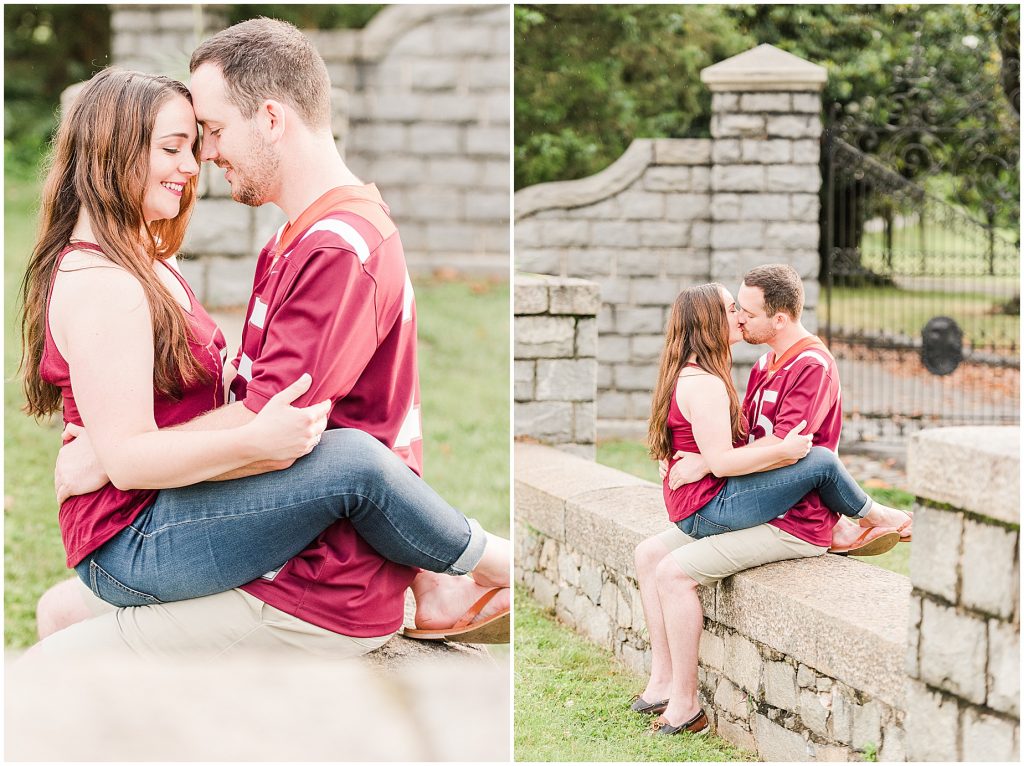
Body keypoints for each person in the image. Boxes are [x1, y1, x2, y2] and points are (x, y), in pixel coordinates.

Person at [28, 21, 509, 659]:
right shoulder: (269, 245)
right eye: (178, 145)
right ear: (118, 151)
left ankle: (484, 566)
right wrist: (124, 449)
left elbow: (266, 419)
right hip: (162, 533)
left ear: (273, 119)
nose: (201, 158)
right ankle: (467, 568)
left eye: (210, 134)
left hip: (304, 573)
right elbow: (251, 406)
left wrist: (120, 451)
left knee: (356, 463)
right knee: (57, 623)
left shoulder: (331, 246)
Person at [632, 266, 911, 736]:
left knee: (672, 573)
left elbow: (787, 453)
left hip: (791, 519)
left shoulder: (812, 365)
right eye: (733, 308)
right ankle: (662, 681)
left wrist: (707, 463)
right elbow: (741, 440)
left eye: (746, 310)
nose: (738, 318)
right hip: (749, 501)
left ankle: (685, 702)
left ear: (778, 319)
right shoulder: (760, 366)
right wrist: (690, 450)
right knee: (648, 554)